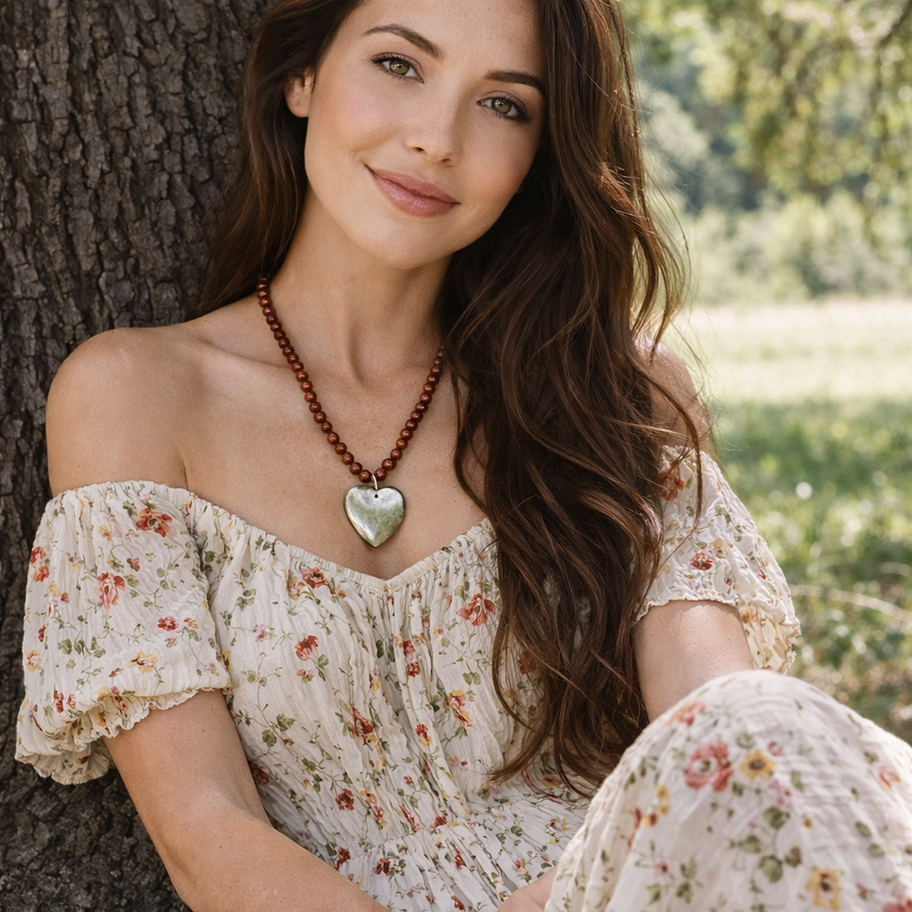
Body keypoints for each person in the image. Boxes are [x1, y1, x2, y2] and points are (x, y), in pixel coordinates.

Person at [15, 0, 912, 910]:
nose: (437, 138)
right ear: (301, 77)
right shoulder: (137, 396)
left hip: (636, 892)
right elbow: (209, 838)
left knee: (771, 729)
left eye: (504, 105)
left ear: (538, 158)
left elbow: (719, 730)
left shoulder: (618, 399)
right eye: (400, 64)